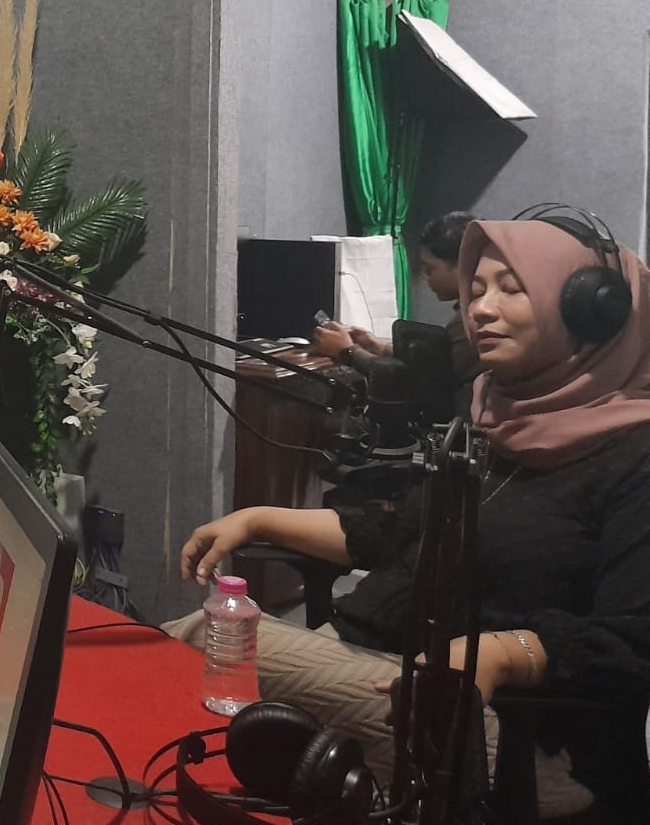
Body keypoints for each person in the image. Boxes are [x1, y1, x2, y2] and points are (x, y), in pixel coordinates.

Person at [171, 216, 650, 819]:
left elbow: (634, 640)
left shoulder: (635, 456)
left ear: (587, 314)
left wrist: (504, 654)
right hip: (377, 663)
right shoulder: (492, 424)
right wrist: (257, 519)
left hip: (513, 734)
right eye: (476, 290)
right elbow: (393, 534)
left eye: (512, 289)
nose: (481, 309)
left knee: (194, 639)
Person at [312, 211, 480, 417]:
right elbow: (432, 361)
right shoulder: (469, 312)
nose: (424, 277)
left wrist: (347, 351)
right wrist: (377, 347)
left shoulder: (475, 318)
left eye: (430, 268)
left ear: (462, 266)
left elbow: (412, 376)